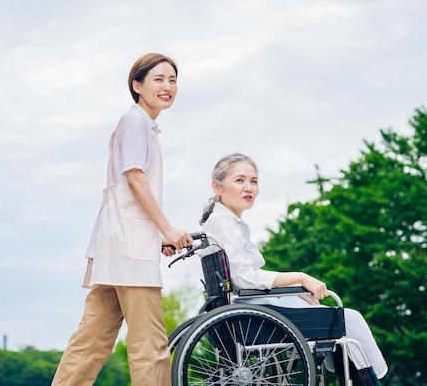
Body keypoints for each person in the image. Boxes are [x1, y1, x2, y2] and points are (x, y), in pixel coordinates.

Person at [51, 53, 193, 386]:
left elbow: (127, 189)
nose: (167, 86)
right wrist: (166, 228)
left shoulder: (142, 125)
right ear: (137, 85)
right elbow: (135, 179)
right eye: (158, 79)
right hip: (129, 248)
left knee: (91, 341)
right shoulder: (136, 122)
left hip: (117, 244)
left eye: (172, 80)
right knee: (150, 346)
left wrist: (157, 235)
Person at [198, 153, 388, 382]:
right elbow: (244, 278)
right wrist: (299, 278)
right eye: (239, 180)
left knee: (342, 319)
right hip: (252, 312)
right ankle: (370, 380)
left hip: (255, 306)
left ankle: (357, 376)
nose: (248, 187)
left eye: (253, 181)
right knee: (349, 318)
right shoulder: (223, 222)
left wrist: (295, 289)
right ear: (217, 187)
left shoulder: (228, 221)